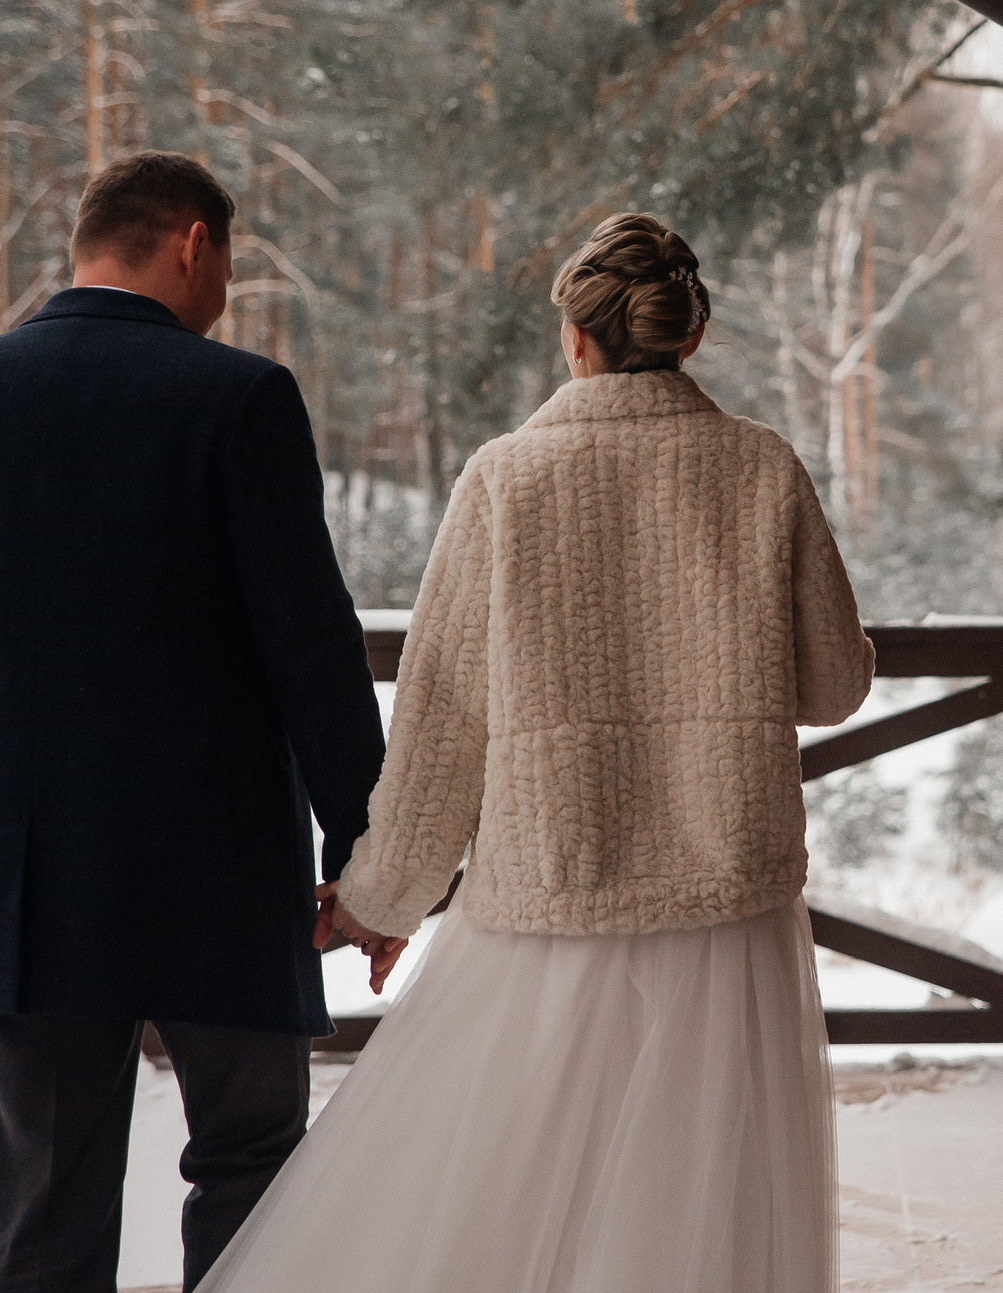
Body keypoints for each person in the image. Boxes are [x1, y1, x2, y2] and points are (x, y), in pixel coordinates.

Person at [199, 212, 873, 1293]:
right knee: (699, 1211)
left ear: (575, 338)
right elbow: (836, 684)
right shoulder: (762, 466)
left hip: (557, 893)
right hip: (727, 904)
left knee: (507, 1209)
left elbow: (441, 725)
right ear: (689, 336)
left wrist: (379, 899)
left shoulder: (507, 478)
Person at [0, 153, 389, 1293]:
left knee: (48, 1195)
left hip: (16, 867)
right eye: (227, 260)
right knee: (250, 1166)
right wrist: (365, 843)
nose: (224, 289)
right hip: (218, 865)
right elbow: (310, 642)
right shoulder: (239, 397)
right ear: (194, 243)